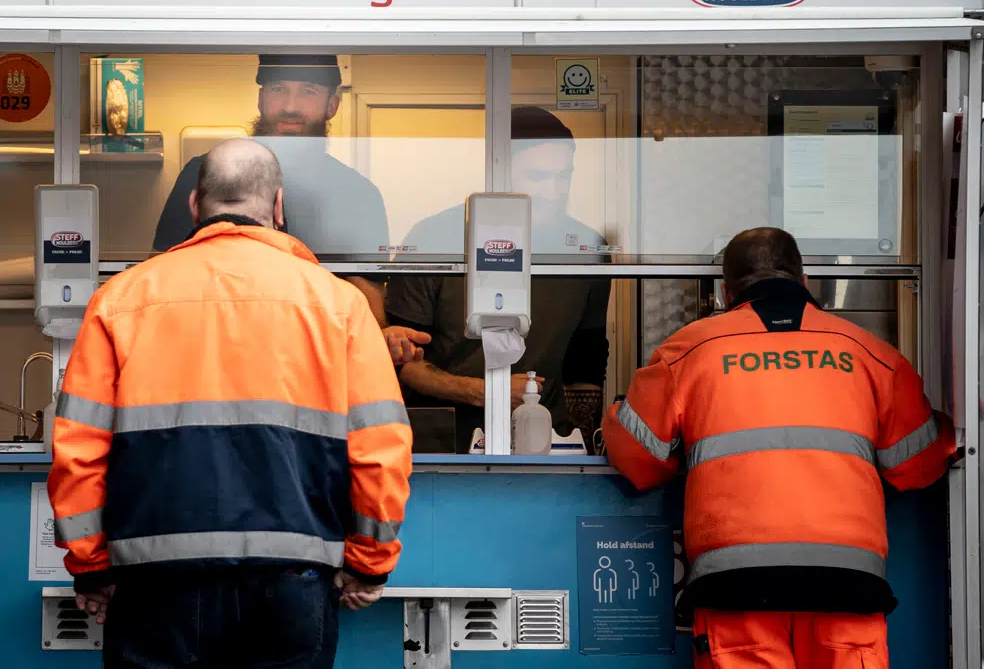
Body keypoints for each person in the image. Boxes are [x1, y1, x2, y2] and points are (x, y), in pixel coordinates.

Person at [50, 138, 414, 669]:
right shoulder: (339, 303)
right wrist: (368, 563)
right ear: (278, 207)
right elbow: (380, 447)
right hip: (294, 578)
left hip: (156, 582)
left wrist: (92, 568)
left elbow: (79, 448)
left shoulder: (121, 298)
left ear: (195, 207)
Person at [602, 227, 956, 669]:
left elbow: (638, 459)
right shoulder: (870, 353)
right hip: (846, 589)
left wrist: (617, 413)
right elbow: (919, 465)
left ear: (726, 292)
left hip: (736, 589)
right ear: (804, 281)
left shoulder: (688, 351)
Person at [151, 53, 430, 366]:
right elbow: (163, 277)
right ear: (260, 99)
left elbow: (369, 308)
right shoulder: (206, 173)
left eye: (308, 91)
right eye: (277, 89)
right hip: (213, 354)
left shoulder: (358, 194)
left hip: (315, 363)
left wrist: (384, 338)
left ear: (332, 105)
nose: (290, 107)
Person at [385, 107, 612, 451]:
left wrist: (583, 445)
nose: (554, 191)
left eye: (563, 176)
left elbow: (588, 357)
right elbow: (401, 363)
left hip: (547, 444)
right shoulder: (433, 238)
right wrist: (486, 393)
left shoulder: (586, 248)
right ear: (497, 171)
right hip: (446, 442)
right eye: (538, 176)